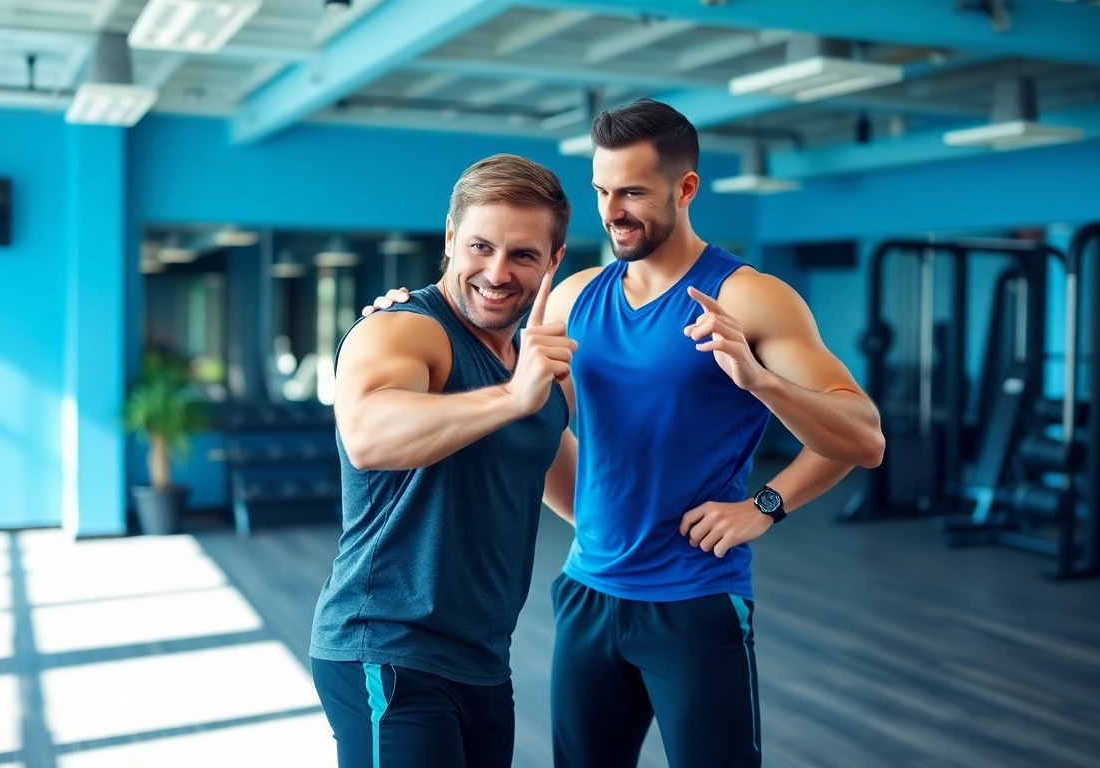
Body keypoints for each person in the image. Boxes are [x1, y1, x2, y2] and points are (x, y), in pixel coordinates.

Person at [365, 99, 885, 768]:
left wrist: (765, 488)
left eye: (633, 191)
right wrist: (403, 314)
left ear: (686, 188)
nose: (613, 210)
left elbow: (861, 436)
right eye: (604, 191)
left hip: (693, 600)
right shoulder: (573, 296)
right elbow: (504, 385)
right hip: (588, 594)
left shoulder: (749, 297)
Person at [310, 153, 580, 768]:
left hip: (485, 663)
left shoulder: (541, 372)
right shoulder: (405, 330)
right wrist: (512, 398)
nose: (497, 271)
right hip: (386, 646)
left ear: (553, 261)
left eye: (523, 255)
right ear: (452, 237)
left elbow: (582, 495)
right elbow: (368, 436)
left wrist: (748, 506)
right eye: (481, 246)